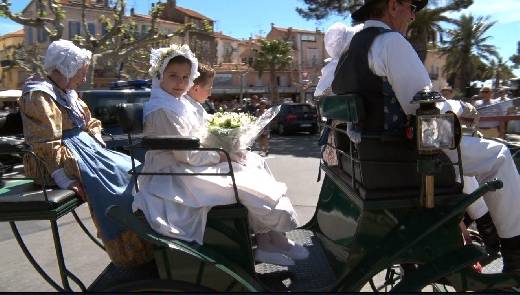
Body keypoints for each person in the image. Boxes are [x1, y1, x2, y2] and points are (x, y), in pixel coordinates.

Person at [331, 0, 520, 273]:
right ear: (393, 5)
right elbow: (425, 106)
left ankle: (487, 231)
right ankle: (515, 257)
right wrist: (462, 109)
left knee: (467, 155)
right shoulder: (390, 43)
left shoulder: (351, 49)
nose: (413, 16)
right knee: (499, 155)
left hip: (367, 160)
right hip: (401, 157)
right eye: (412, 7)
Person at [132, 44, 308, 267]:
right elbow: (184, 155)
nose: (181, 82)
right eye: (173, 76)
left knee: (250, 164)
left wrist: (228, 148)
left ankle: (272, 238)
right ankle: (266, 241)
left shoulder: (175, 104)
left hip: (186, 165)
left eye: (186, 77)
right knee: (245, 181)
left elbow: (196, 143)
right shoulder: (162, 109)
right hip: (174, 175)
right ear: (160, 76)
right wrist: (222, 156)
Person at [18, 40, 152, 267]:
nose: (84, 77)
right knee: (114, 184)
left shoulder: (69, 94)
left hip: (85, 147)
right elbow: (45, 140)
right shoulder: (39, 95)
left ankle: (145, 239)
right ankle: (128, 252)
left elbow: (90, 123)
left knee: (132, 169)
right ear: (66, 67)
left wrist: (96, 141)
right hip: (55, 159)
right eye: (81, 72)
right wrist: (63, 178)